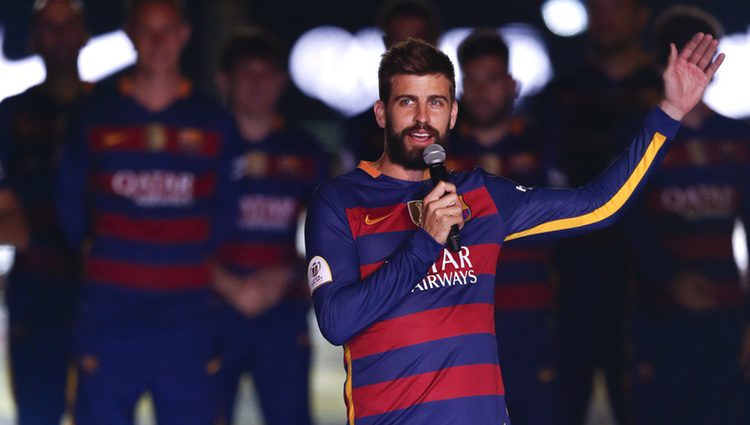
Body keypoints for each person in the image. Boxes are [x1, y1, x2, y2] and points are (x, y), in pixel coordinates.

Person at [304, 36, 722, 424]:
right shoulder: (339, 201)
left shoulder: (481, 195)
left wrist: (670, 112)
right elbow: (337, 322)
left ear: (452, 113)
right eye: (406, 102)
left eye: (435, 103)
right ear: (381, 112)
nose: (421, 118)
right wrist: (425, 242)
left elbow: (600, 206)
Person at [56, 1, 240, 424]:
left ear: (184, 35)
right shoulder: (94, 117)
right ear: (130, 35)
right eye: (147, 31)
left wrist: (182, 258)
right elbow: (69, 207)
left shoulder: (212, 122)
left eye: (167, 30)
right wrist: (103, 256)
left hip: (186, 315)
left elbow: (225, 213)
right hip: (108, 314)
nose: (158, 43)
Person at [529, 0, 661, 421]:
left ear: (641, 15)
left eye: (616, 7)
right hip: (570, 278)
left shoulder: (666, 89)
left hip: (653, 279)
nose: (605, 16)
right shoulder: (558, 95)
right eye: (597, 7)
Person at [624, 7, 750, 424]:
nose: (699, 69)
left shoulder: (738, 137)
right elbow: (624, 222)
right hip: (658, 319)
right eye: (689, 57)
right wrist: (669, 278)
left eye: (707, 57)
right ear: (664, 62)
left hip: (727, 312)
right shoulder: (640, 137)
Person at [212, 27, 329, 425]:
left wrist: (288, 272)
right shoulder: (201, 142)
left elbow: (331, 241)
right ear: (224, 80)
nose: (258, 85)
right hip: (208, 307)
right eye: (247, 73)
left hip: (282, 309)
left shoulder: (305, 151)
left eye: (267, 74)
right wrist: (227, 284)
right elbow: (172, 227)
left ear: (282, 81)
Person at [446, 29, 560, 425]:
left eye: (492, 79)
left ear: (512, 85)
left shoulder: (544, 147)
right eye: (471, 80)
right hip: (461, 329)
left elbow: (568, 234)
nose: (481, 92)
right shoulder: (437, 157)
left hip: (535, 324)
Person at [0, 1, 88, 423]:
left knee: (103, 412)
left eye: (66, 25)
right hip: (35, 296)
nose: (58, 37)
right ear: (34, 39)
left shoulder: (110, 109)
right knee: (36, 414)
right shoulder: (11, 115)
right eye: (48, 28)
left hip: (101, 292)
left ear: (84, 34)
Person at [340, 0, 442, 172]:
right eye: (399, 43)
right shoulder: (361, 129)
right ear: (386, 44)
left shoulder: (465, 125)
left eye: (418, 42)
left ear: (434, 42)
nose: (409, 54)